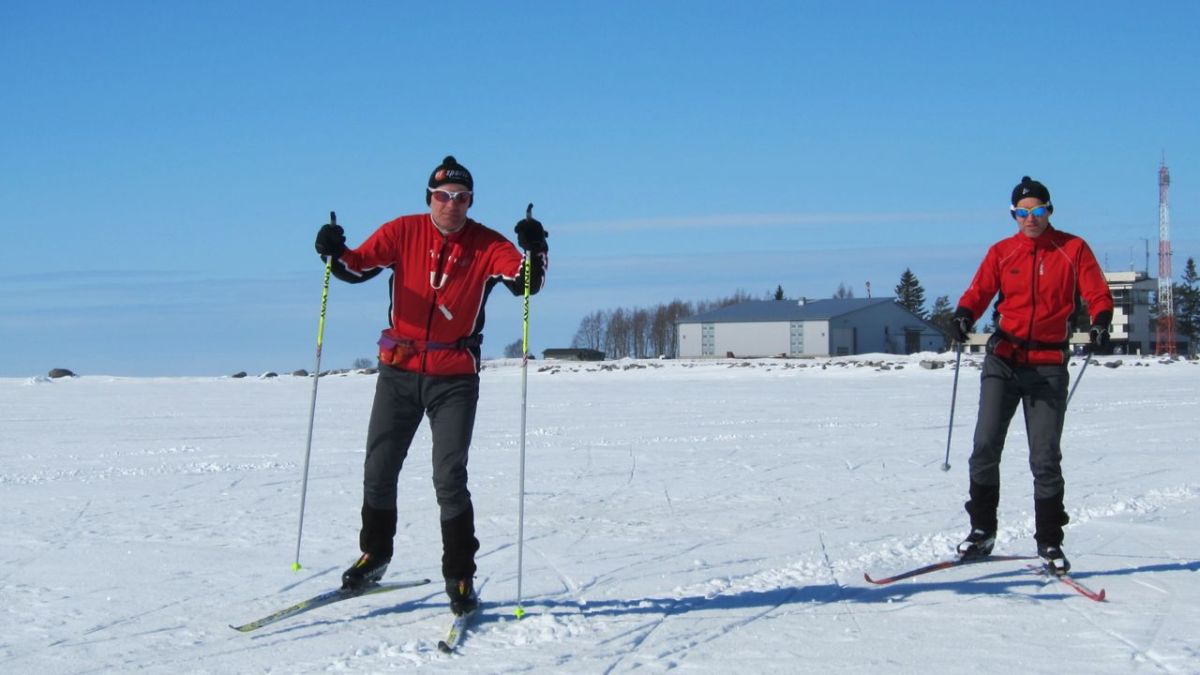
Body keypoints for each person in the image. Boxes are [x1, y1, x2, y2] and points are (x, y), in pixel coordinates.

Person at [313, 155, 549, 614]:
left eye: (461, 197)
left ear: (470, 201)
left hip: (454, 378)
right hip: (399, 372)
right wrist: (332, 249)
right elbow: (354, 267)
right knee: (379, 468)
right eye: (443, 196)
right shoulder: (402, 231)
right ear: (429, 198)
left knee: (449, 477)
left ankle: (460, 575)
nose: (451, 204)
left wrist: (535, 246)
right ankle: (375, 554)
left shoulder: (487, 244)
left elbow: (526, 284)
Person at [949, 176, 1112, 575]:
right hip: (1003, 361)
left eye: (1037, 211)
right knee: (985, 446)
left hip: (1048, 365)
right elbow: (978, 291)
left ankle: (1050, 541)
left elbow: (1097, 293)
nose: (1030, 218)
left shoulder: (1073, 249)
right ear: (1013, 216)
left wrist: (1101, 321)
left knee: (1045, 456)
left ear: (1049, 211)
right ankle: (982, 531)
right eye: (1022, 213)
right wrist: (964, 315)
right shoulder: (1002, 252)